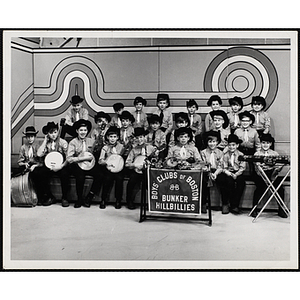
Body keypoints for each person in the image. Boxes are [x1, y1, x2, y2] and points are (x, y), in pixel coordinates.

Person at [66, 119, 102, 208]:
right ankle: (79, 199)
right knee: (80, 177)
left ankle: (89, 197)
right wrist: (82, 158)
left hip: (89, 165)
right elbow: (69, 159)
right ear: (77, 131)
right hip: (77, 165)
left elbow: (95, 154)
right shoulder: (73, 142)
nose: (83, 132)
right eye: (81, 130)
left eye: (85, 130)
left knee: (100, 175)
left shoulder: (91, 141)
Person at [251, 133, 287, 218]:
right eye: (263, 143)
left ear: (270, 144)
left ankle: (281, 209)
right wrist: (269, 166)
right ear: (260, 143)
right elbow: (258, 166)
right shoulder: (257, 154)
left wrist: (273, 168)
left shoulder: (275, 154)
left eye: (267, 143)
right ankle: (254, 209)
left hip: (272, 173)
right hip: (260, 174)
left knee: (280, 188)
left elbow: (279, 165)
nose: (265, 145)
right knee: (259, 187)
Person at [35, 122, 70, 207]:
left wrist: (60, 166)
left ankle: (64, 197)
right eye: (51, 133)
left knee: (65, 174)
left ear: (58, 132)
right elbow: (39, 154)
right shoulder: (47, 143)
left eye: (55, 132)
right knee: (39, 173)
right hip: (49, 165)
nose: (53, 135)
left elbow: (69, 158)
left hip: (61, 165)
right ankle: (49, 196)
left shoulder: (63, 142)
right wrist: (45, 140)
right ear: (48, 134)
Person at [125, 127, 158, 209]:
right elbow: (127, 163)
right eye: (137, 138)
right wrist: (135, 165)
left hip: (148, 170)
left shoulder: (151, 148)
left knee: (150, 183)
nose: (139, 139)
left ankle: (154, 203)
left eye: (141, 137)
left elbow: (156, 161)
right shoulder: (134, 150)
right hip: (136, 170)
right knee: (132, 182)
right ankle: (129, 201)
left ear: (145, 137)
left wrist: (155, 157)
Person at [216, 134, 246, 215]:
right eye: (229, 145)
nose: (231, 147)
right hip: (228, 172)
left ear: (237, 145)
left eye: (233, 145)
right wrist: (228, 173)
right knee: (228, 182)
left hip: (237, 172)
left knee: (241, 183)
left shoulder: (241, 154)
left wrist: (236, 174)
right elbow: (224, 166)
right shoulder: (225, 154)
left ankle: (235, 205)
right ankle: (225, 204)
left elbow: (242, 167)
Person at [98, 126, 125, 209]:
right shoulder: (105, 147)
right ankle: (103, 199)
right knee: (107, 179)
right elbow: (100, 160)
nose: (112, 139)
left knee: (119, 179)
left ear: (117, 138)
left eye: (114, 137)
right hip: (108, 168)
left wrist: (116, 154)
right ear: (107, 137)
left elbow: (122, 158)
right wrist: (106, 162)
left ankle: (118, 200)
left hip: (119, 168)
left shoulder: (121, 146)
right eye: (111, 137)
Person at [17, 126, 43, 203]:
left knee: (37, 174)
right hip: (27, 166)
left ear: (35, 137)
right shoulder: (23, 148)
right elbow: (19, 161)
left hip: (36, 166)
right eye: (28, 137)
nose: (30, 139)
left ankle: (39, 197)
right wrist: (24, 164)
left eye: (32, 136)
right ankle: (25, 197)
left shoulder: (38, 147)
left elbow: (42, 162)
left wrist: (35, 166)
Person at [200, 130, 224, 213]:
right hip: (206, 171)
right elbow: (203, 164)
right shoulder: (203, 152)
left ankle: (224, 203)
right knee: (203, 181)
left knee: (224, 180)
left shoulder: (220, 152)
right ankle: (203, 203)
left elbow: (221, 166)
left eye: (214, 141)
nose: (212, 144)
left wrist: (215, 174)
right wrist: (209, 173)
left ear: (217, 142)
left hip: (217, 171)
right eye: (210, 141)